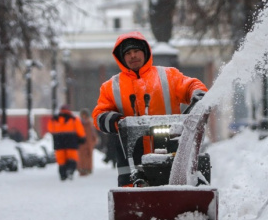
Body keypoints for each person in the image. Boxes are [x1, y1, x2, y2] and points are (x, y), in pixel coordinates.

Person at [92, 31, 207, 186]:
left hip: (170, 148)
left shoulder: (167, 75)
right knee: (132, 202)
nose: (133, 56)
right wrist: (114, 120)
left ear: (145, 52)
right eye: (128, 53)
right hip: (131, 158)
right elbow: (99, 114)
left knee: (176, 188)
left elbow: (190, 85)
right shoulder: (111, 86)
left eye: (136, 51)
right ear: (121, 57)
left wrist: (197, 93)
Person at [46, 105, 86, 181]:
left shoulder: (54, 119)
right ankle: (70, 170)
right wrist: (82, 137)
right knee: (72, 157)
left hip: (59, 142)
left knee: (61, 159)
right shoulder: (74, 119)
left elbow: (50, 128)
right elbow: (79, 129)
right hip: (71, 141)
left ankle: (62, 174)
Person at [77, 108, 97, 176]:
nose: (84, 117)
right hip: (82, 143)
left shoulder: (90, 124)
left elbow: (93, 134)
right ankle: (82, 169)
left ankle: (87, 169)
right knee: (81, 156)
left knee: (88, 156)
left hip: (88, 143)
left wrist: (93, 141)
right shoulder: (79, 123)